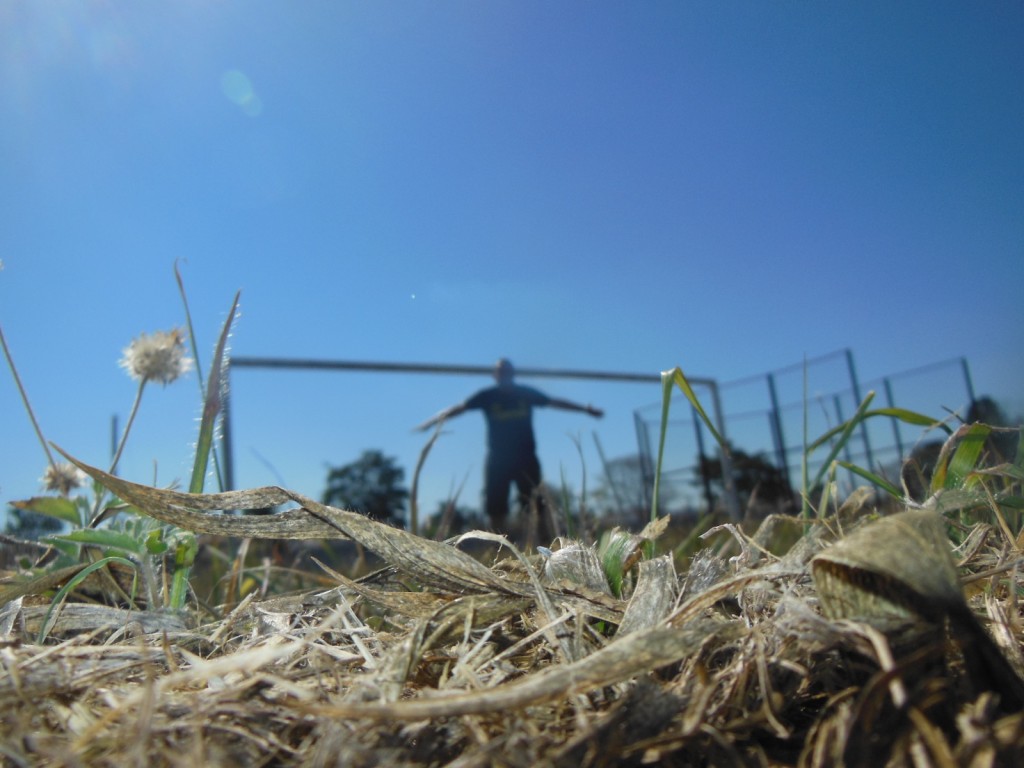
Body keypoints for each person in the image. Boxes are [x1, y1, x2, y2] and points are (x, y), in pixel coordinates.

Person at [416, 358, 603, 538]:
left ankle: (545, 543)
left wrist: (585, 409)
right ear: (495, 375)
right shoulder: (487, 396)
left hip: (525, 457)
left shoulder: (525, 394)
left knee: (534, 503)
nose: (504, 375)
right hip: (498, 459)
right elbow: (458, 408)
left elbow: (554, 402)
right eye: (500, 372)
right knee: (496, 506)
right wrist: (430, 423)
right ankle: (498, 546)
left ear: (512, 374)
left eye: (507, 371)